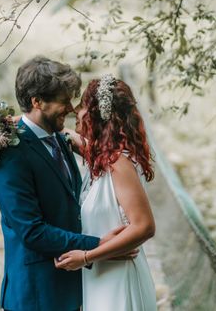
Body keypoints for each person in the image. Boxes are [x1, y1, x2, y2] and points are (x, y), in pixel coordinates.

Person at [0, 57, 132, 311]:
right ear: (37, 102)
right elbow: (32, 231)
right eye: (64, 100)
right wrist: (100, 246)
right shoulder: (10, 154)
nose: (72, 108)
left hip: (73, 286)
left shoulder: (61, 139)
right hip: (36, 294)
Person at [55, 74, 158, 311]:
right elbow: (66, 136)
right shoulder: (102, 157)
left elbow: (144, 226)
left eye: (81, 107)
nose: (75, 113)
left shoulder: (118, 164)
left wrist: (87, 257)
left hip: (119, 280)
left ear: (95, 116)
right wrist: (19, 122)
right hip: (101, 277)